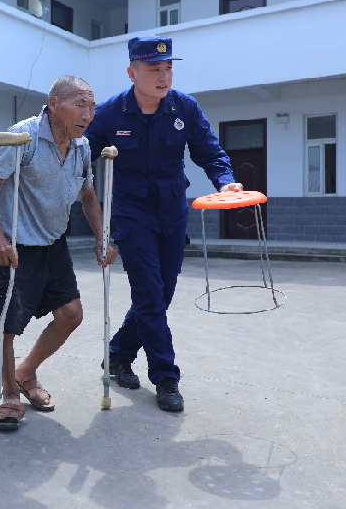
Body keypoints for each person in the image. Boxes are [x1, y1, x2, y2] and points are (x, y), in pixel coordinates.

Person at [85, 36, 241, 412]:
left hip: (172, 212)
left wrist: (225, 180)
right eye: (154, 69)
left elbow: (208, 150)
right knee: (150, 295)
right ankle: (166, 377)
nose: (163, 75)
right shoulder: (109, 114)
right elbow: (81, 157)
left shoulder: (184, 108)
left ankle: (119, 354)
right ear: (132, 72)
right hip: (131, 213)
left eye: (168, 67)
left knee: (162, 294)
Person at [0, 76, 118, 430]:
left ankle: (26, 372)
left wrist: (102, 237)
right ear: (54, 104)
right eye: (80, 104)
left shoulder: (82, 146)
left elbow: (87, 195)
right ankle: (9, 396)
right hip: (15, 245)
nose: (89, 114)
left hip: (53, 243)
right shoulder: (23, 137)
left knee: (71, 314)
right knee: (7, 327)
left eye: (92, 106)